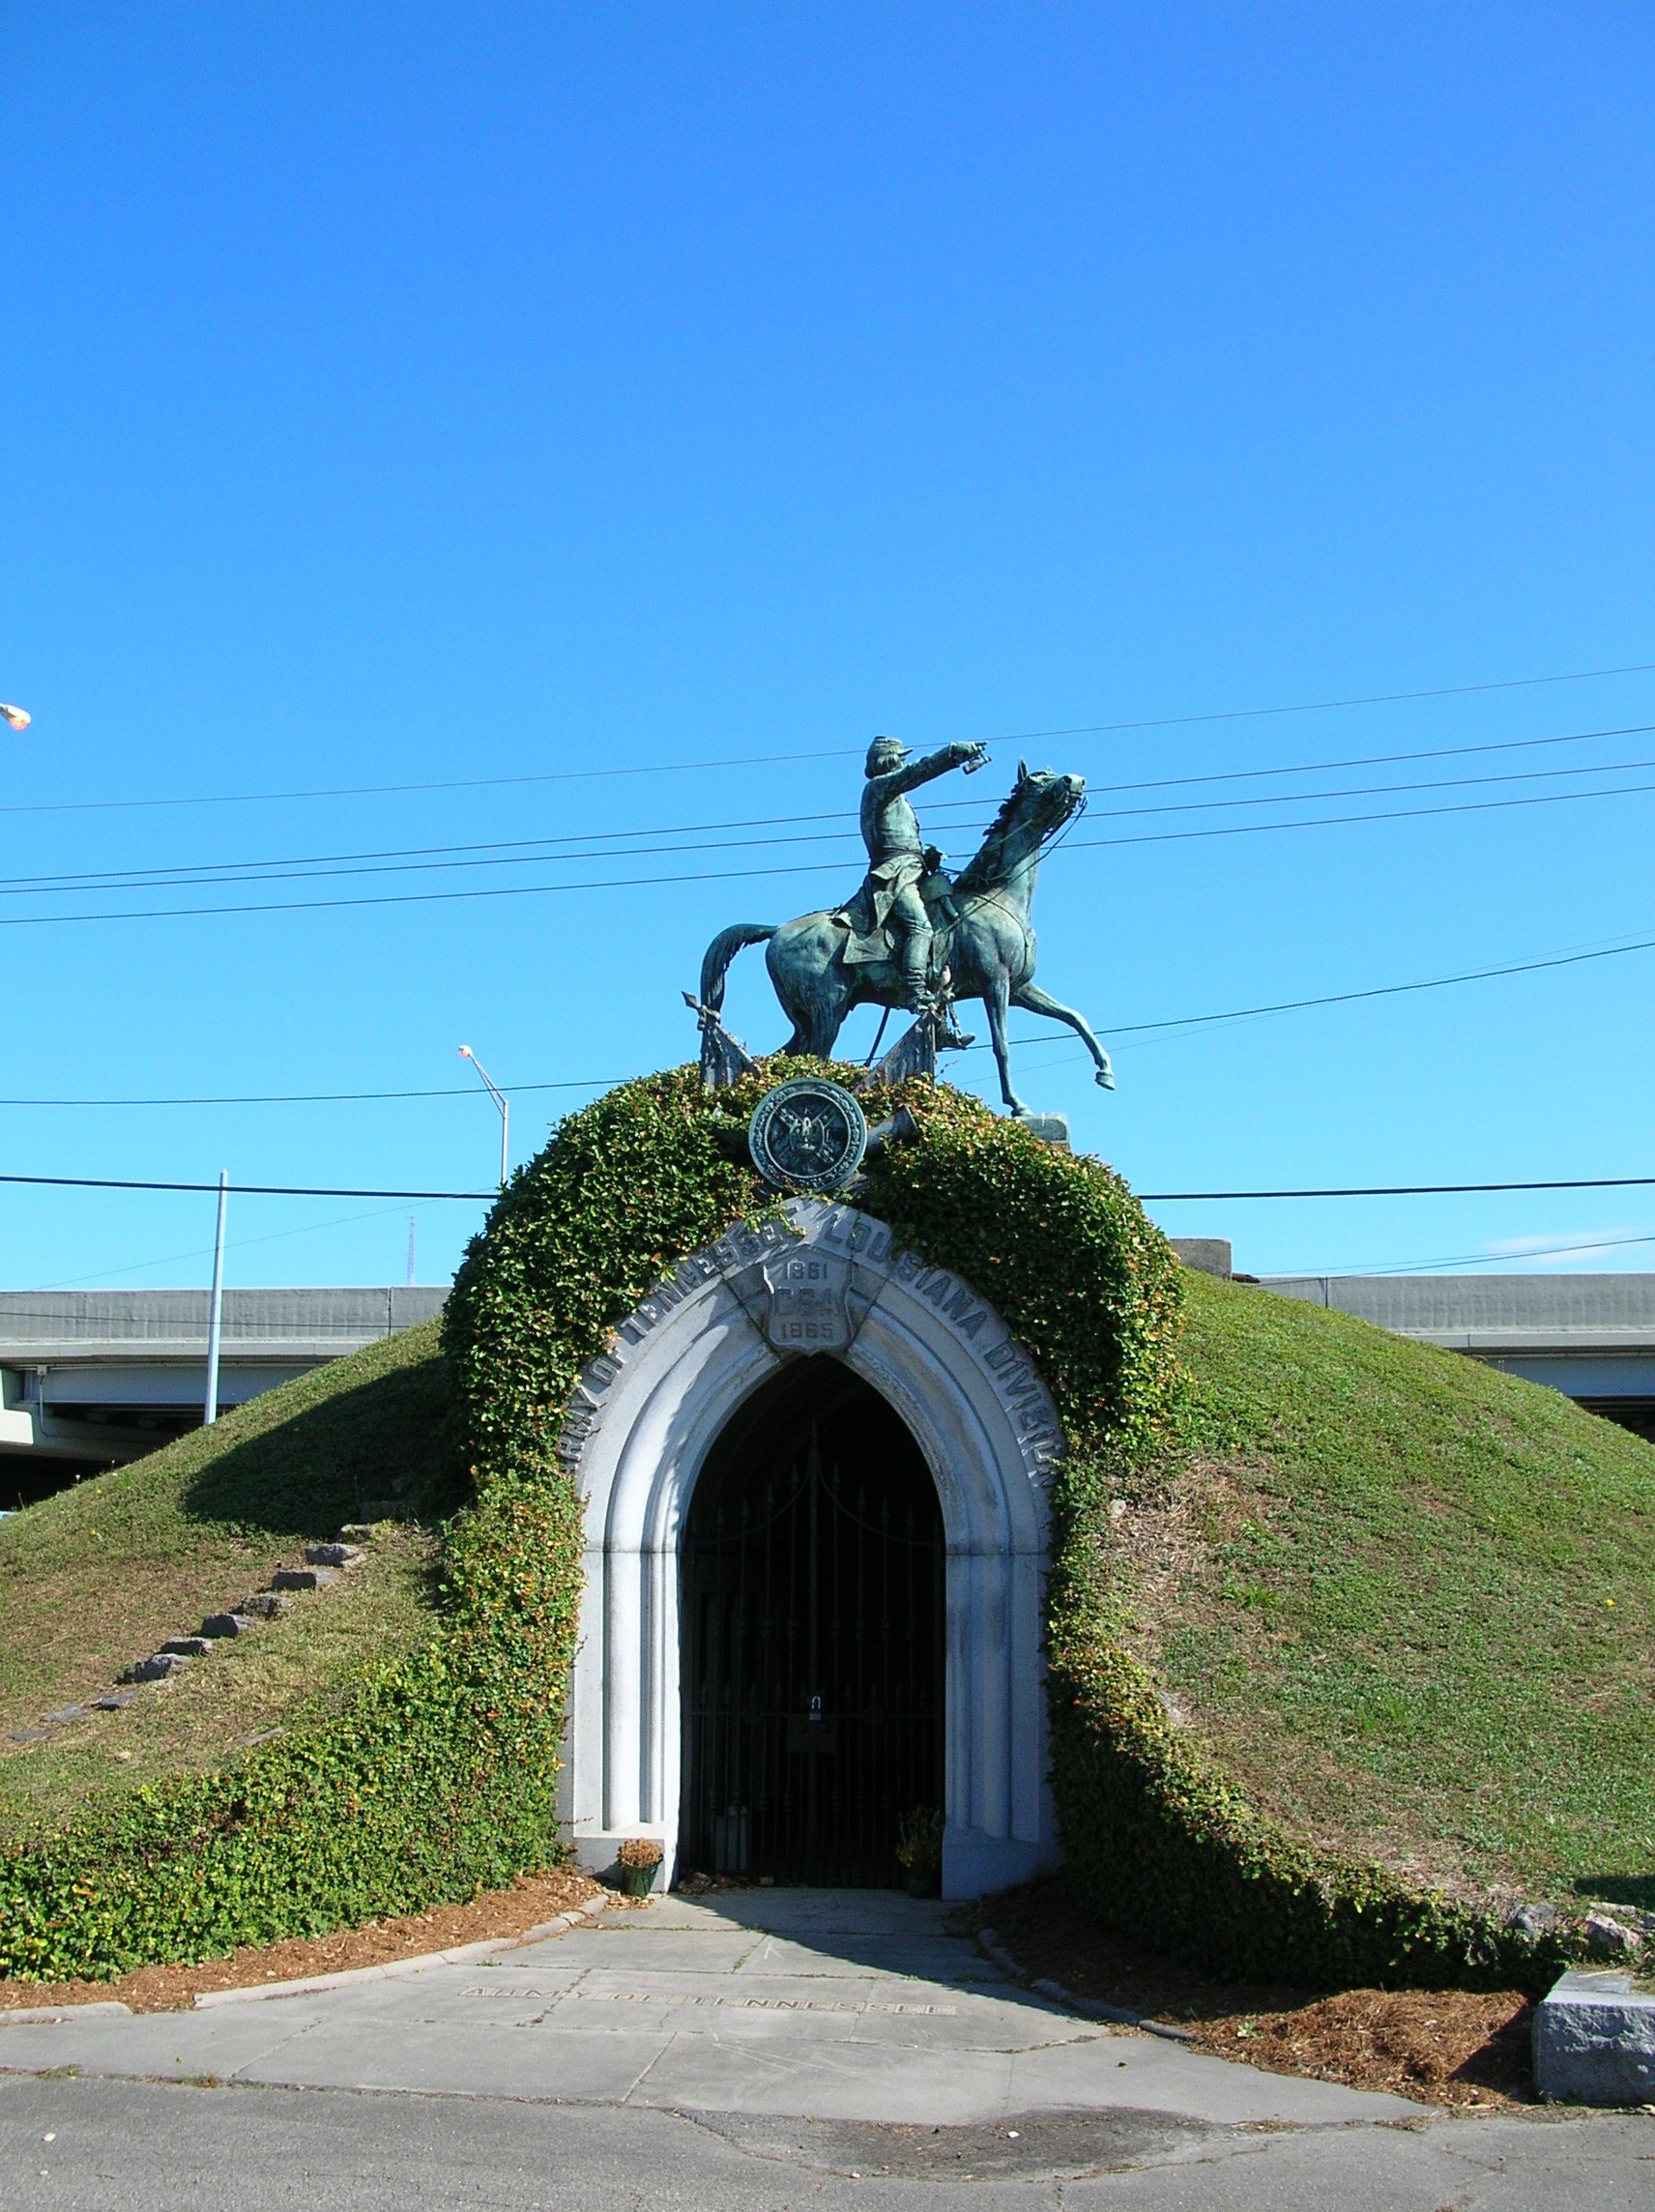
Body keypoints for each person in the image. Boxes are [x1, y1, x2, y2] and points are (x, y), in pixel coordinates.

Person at [839, 734, 987, 1012]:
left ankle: (942, 1010)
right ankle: (916, 992)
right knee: (921, 927)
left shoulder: (896, 798)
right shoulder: (878, 789)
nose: (903, 763)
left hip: (914, 870)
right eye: (900, 758)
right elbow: (917, 773)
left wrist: (925, 854)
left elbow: (902, 839)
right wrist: (951, 753)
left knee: (946, 926)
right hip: (895, 876)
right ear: (890, 760)